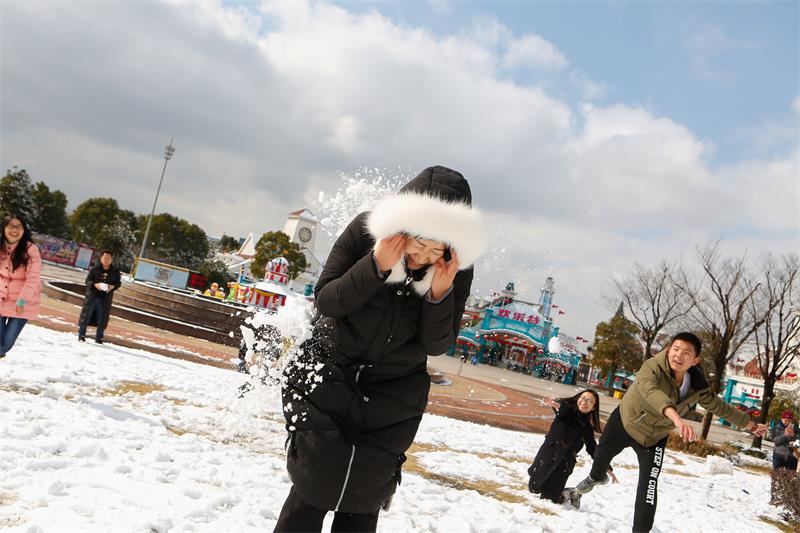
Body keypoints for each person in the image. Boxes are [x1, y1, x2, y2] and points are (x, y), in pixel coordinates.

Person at [274, 166, 487, 533]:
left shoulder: (456, 268)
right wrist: (375, 266)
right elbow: (327, 301)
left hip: (393, 399)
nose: (422, 256)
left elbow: (437, 344)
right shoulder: (365, 231)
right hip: (329, 378)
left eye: (434, 249)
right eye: (418, 243)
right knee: (312, 489)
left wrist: (440, 294)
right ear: (404, 225)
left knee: (363, 502)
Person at [568, 332, 769, 532]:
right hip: (624, 423)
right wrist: (676, 418)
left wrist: (750, 425)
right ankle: (596, 477)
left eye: (686, 353)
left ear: (695, 360)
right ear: (668, 350)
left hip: (654, 438)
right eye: (676, 349)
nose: (679, 355)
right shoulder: (651, 367)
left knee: (649, 487)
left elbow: (718, 406)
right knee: (600, 462)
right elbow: (651, 392)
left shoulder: (697, 386)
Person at [527, 389, 616, 505]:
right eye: (583, 398)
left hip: (565, 464)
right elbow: (561, 407)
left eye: (590, 401)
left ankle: (570, 493)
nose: (584, 402)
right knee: (534, 489)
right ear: (578, 399)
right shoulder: (566, 411)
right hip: (547, 455)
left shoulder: (587, 428)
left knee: (550, 499)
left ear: (593, 407)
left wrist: (606, 467)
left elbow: (593, 449)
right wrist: (555, 404)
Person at [0, 214, 41, 359]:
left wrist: (22, 300)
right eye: (11, 226)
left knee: (6, 344)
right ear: (4, 228)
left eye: (19, 227)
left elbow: (33, 278)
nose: (15, 230)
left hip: (23, 301)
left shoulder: (31, 249)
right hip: (1, 297)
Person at [78, 250, 122, 344]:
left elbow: (118, 283)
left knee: (102, 318)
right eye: (105, 258)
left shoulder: (115, 271)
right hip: (92, 296)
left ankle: (99, 337)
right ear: (101, 258)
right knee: (86, 315)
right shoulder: (94, 269)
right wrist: (95, 285)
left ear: (111, 260)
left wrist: (112, 287)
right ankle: (81, 335)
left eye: (109, 258)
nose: (106, 260)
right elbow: (88, 281)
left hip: (105, 298)